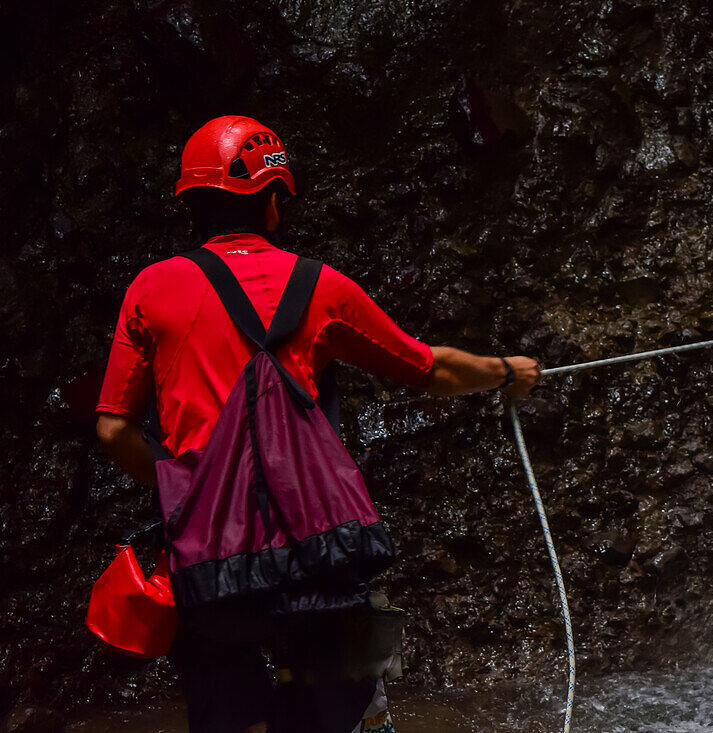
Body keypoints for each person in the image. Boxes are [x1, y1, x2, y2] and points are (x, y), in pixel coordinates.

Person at [95, 115, 541, 733]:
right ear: (273, 202)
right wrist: (505, 370)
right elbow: (428, 367)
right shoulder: (321, 286)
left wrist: (186, 488)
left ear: (193, 202)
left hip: (211, 561)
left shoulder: (151, 290)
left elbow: (114, 430)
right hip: (318, 555)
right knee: (334, 715)